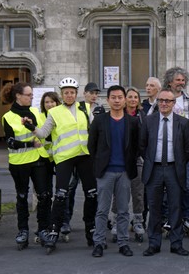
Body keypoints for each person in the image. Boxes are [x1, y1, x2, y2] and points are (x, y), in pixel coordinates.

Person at [29, 77, 97, 254]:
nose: (69, 95)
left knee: (91, 194)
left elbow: (94, 130)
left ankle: (91, 228)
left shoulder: (85, 108)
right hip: (65, 158)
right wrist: (32, 127)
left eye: (72, 92)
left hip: (84, 156)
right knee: (60, 195)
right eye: (66, 92)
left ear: (76, 94)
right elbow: (43, 133)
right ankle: (54, 230)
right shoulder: (54, 112)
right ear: (62, 94)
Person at [139, 88, 189, 256]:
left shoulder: (183, 123)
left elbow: (188, 149)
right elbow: (142, 145)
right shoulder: (149, 121)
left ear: (173, 103)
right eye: (161, 100)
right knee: (154, 208)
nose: (163, 104)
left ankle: (176, 243)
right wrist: (150, 160)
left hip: (174, 169)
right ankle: (154, 243)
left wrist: (178, 163)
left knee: (175, 207)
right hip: (153, 169)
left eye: (167, 101)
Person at [89, 85, 139, 258]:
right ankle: (99, 242)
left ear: (124, 100)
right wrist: (99, 165)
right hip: (106, 172)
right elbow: (92, 146)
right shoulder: (100, 120)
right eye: (113, 97)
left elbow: (136, 146)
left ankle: (123, 242)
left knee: (124, 210)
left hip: (125, 172)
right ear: (108, 99)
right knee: (102, 210)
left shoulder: (132, 122)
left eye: (120, 97)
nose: (117, 100)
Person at [1, 83, 51, 250]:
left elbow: (42, 131)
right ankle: (23, 231)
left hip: (39, 160)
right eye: (28, 95)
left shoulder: (36, 112)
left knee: (44, 195)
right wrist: (29, 143)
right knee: (22, 197)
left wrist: (31, 126)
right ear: (18, 96)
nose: (31, 97)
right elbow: (10, 142)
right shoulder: (8, 117)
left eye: (31, 94)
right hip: (19, 163)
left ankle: (43, 229)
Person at [63, 82, 105, 238]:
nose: (94, 96)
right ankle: (65, 221)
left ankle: (92, 221)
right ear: (85, 94)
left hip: (91, 156)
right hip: (75, 154)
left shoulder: (100, 109)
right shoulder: (78, 107)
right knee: (70, 189)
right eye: (91, 93)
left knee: (92, 191)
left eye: (96, 93)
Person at [108, 87, 147, 243]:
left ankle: (138, 221)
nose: (132, 99)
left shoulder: (142, 117)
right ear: (125, 99)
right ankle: (117, 221)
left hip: (136, 159)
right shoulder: (118, 115)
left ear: (138, 100)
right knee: (118, 193)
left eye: (135, 97)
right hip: (120, 160)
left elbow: (143, 139)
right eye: (129, 96)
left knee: (138, 191)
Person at [163, 67, 189, 233]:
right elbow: (151, 120)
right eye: (178, 80)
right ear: (170, 81)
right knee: (168, 185)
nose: (181, 83)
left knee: (186, 185)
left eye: (183, 80)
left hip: (185, 151)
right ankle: (169, 217)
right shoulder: (161, 99)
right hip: (166, 150)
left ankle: (186, 216)